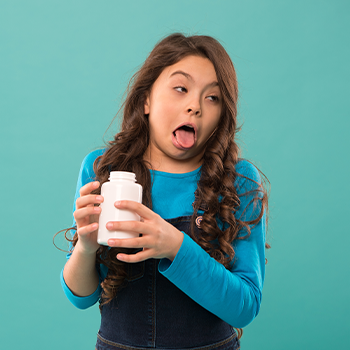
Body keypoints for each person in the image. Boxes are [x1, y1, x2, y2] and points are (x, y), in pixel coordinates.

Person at [60, 33, 269, 350]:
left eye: (212, 98)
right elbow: (81, 298)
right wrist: (86, 248)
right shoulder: (103, 170)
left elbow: (245, 307)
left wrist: (175, 246)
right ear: (146, 99)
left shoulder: (239, 180)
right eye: (181, 89)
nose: (194, 107)